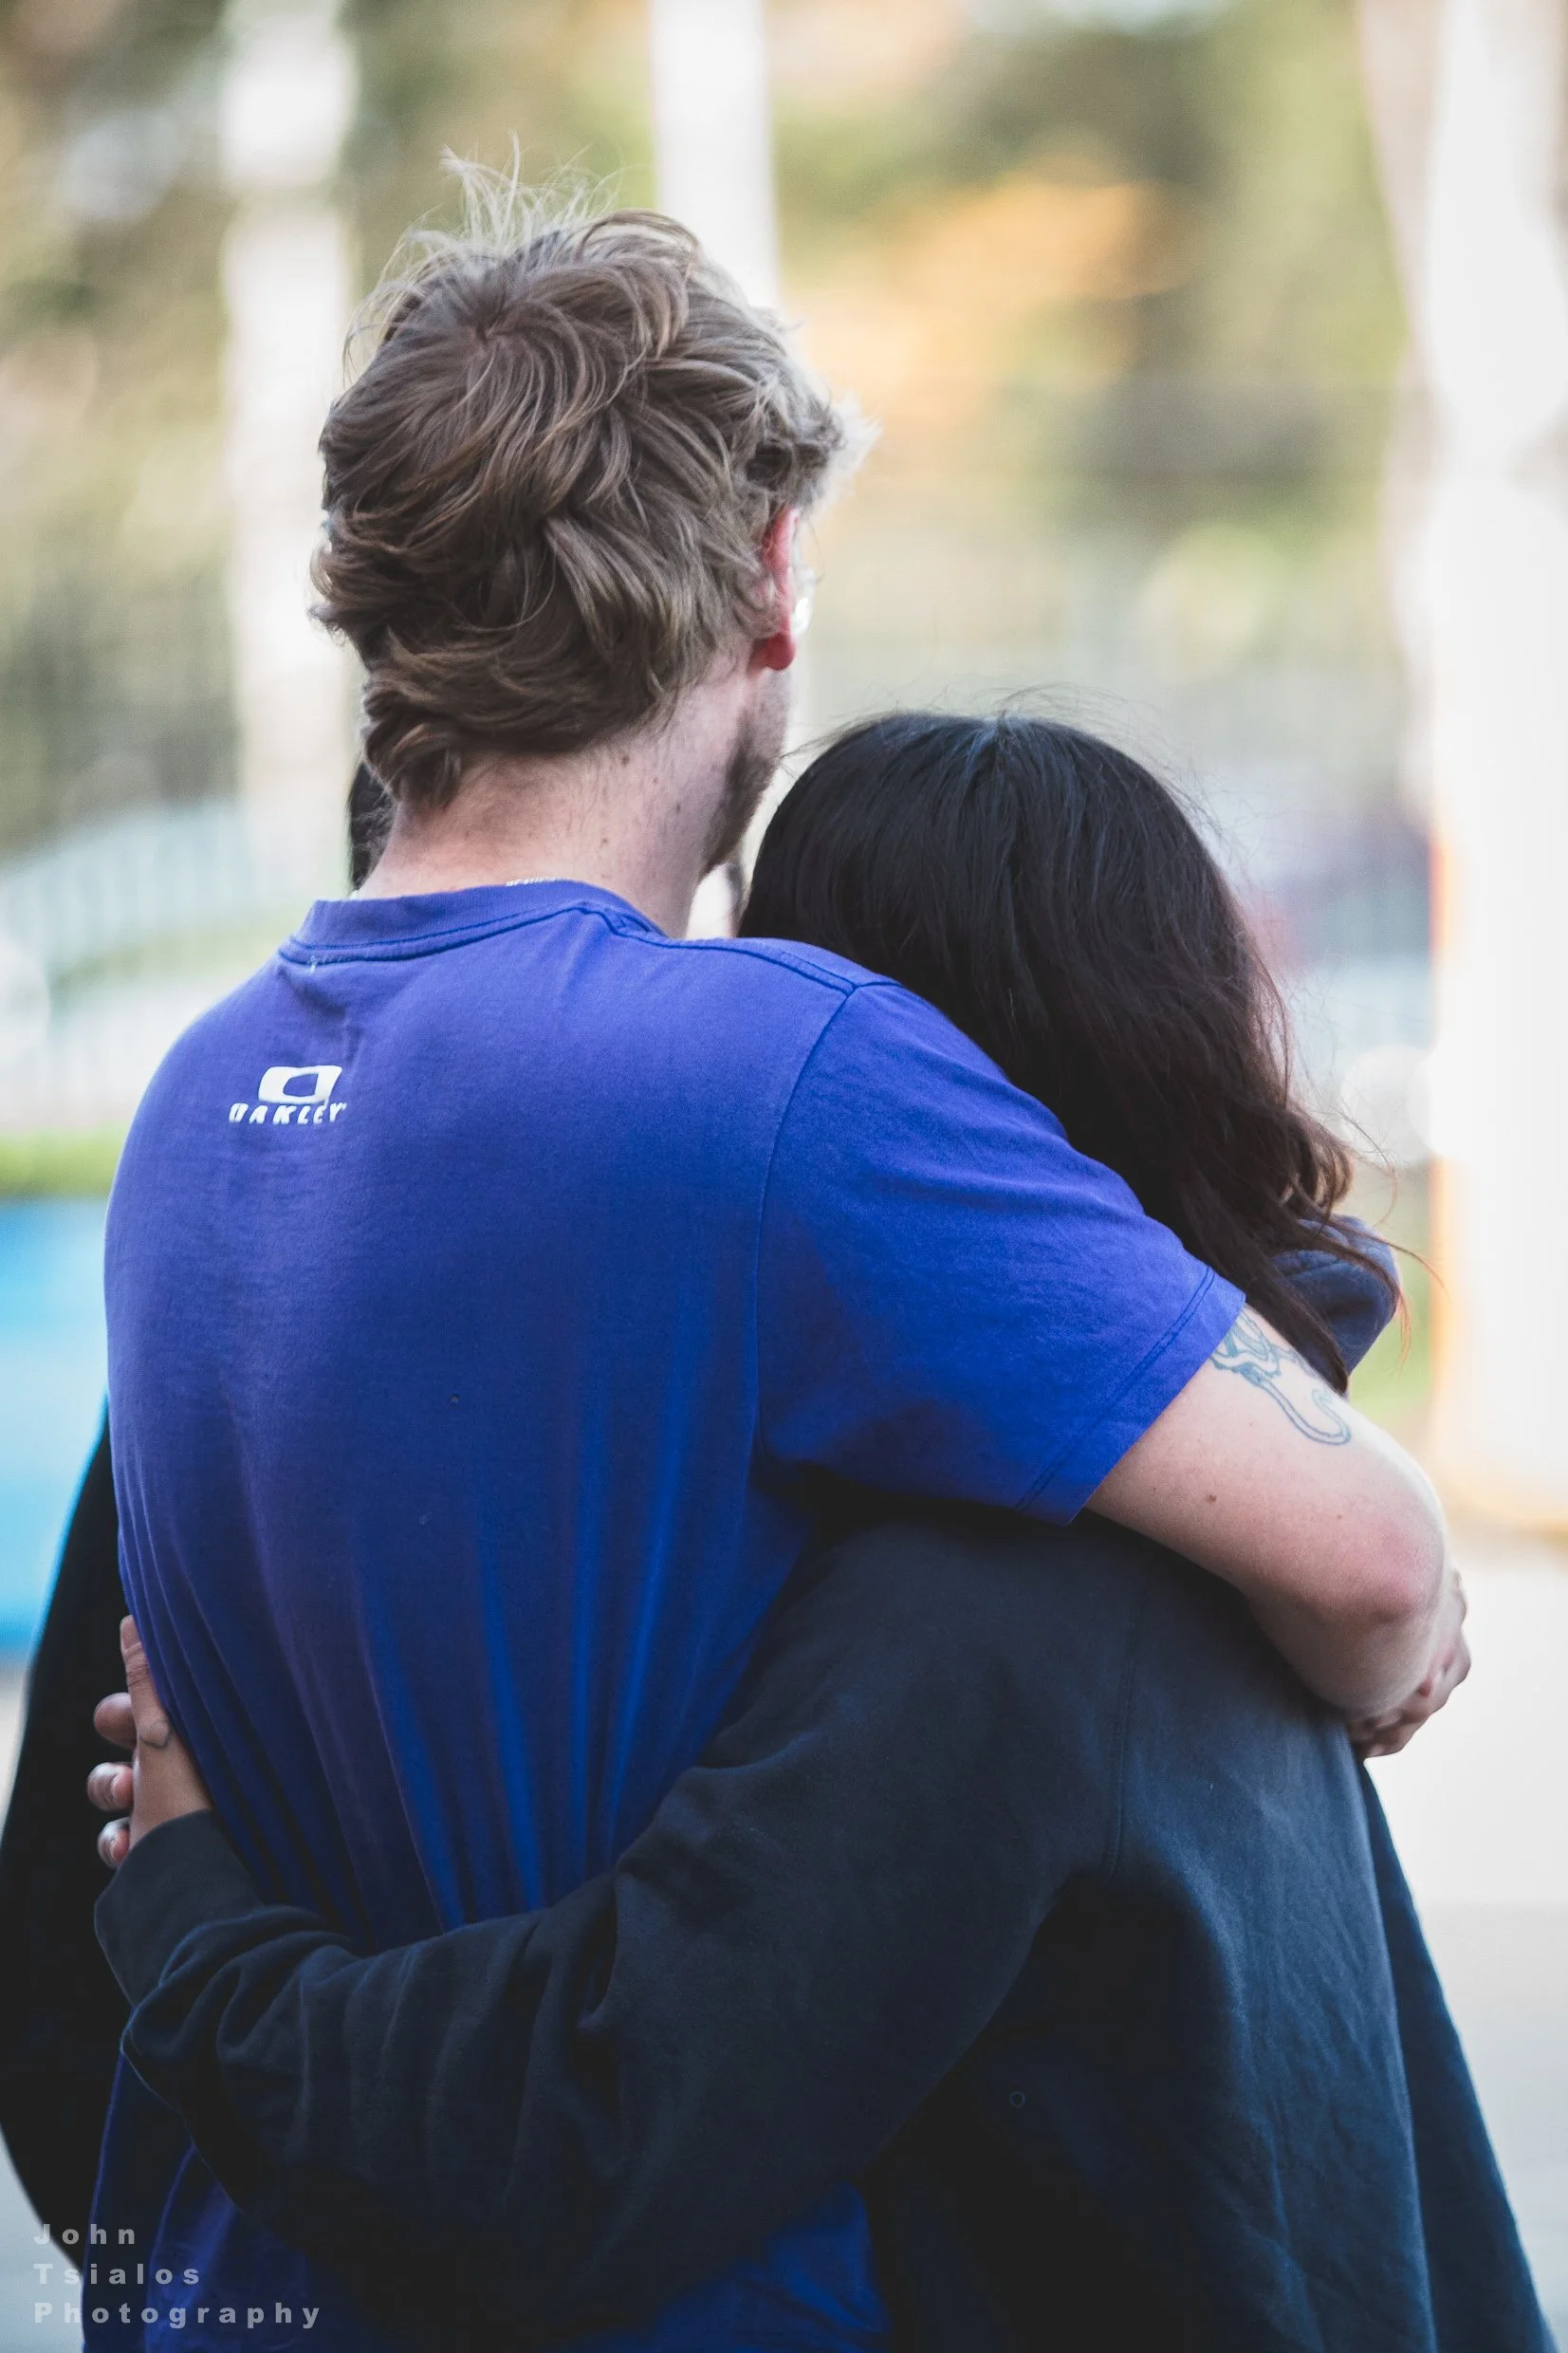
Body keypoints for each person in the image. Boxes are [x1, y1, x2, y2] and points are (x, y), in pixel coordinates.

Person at [54, 186, 1467, 2350]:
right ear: (773, 583)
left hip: (230, 2286)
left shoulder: (192, 1100)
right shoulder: (776, 1076)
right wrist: (1382, 1661)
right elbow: (1373, 1563)